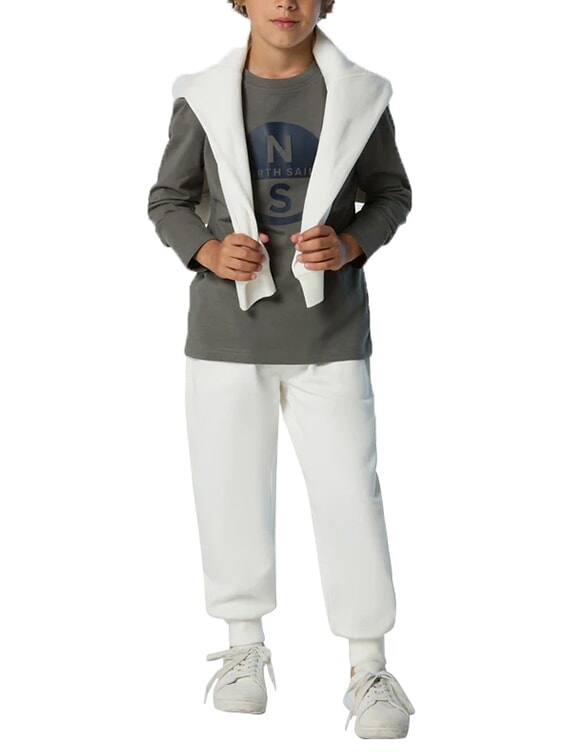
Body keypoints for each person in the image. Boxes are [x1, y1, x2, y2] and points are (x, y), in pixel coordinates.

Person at [147, 0, 415, 739]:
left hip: (330, 333)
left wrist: (352, 244)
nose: (287, 4)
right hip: (225, 335)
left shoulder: (360, 96)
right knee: (229, 489)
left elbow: (391, 194)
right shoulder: (203, 95)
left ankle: (368, 666)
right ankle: (243, 647)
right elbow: (167, 199)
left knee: (350, 495)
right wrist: (207, 250)